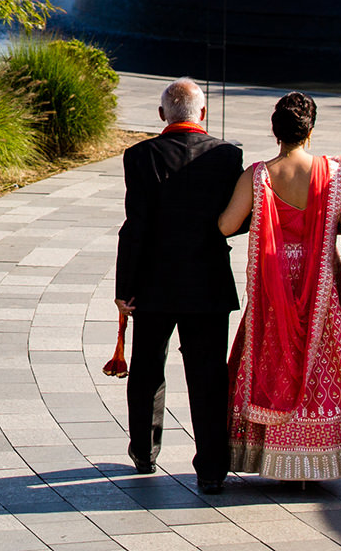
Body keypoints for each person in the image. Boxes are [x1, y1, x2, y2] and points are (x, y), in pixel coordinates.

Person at [219, 93, 341, 482]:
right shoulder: (334, 173)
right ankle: (320, 459)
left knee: (275, 360)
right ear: (311, 130)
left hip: (275, 282)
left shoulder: (258, 175)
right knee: (325, 361)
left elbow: (225, 226)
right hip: (321, 280)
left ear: (276, 133)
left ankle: (271, 454)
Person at [116, 78, 245, 493]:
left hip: (153, 282)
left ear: (161, 116)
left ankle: (144, 452)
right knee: (209, 375)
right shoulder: (228, 156)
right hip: (207, 283)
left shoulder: (139, 156)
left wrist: (124, 288)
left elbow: (134, 227)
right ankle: (210, 468)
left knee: (147, 367)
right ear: (202, 114)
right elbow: (236, 220)